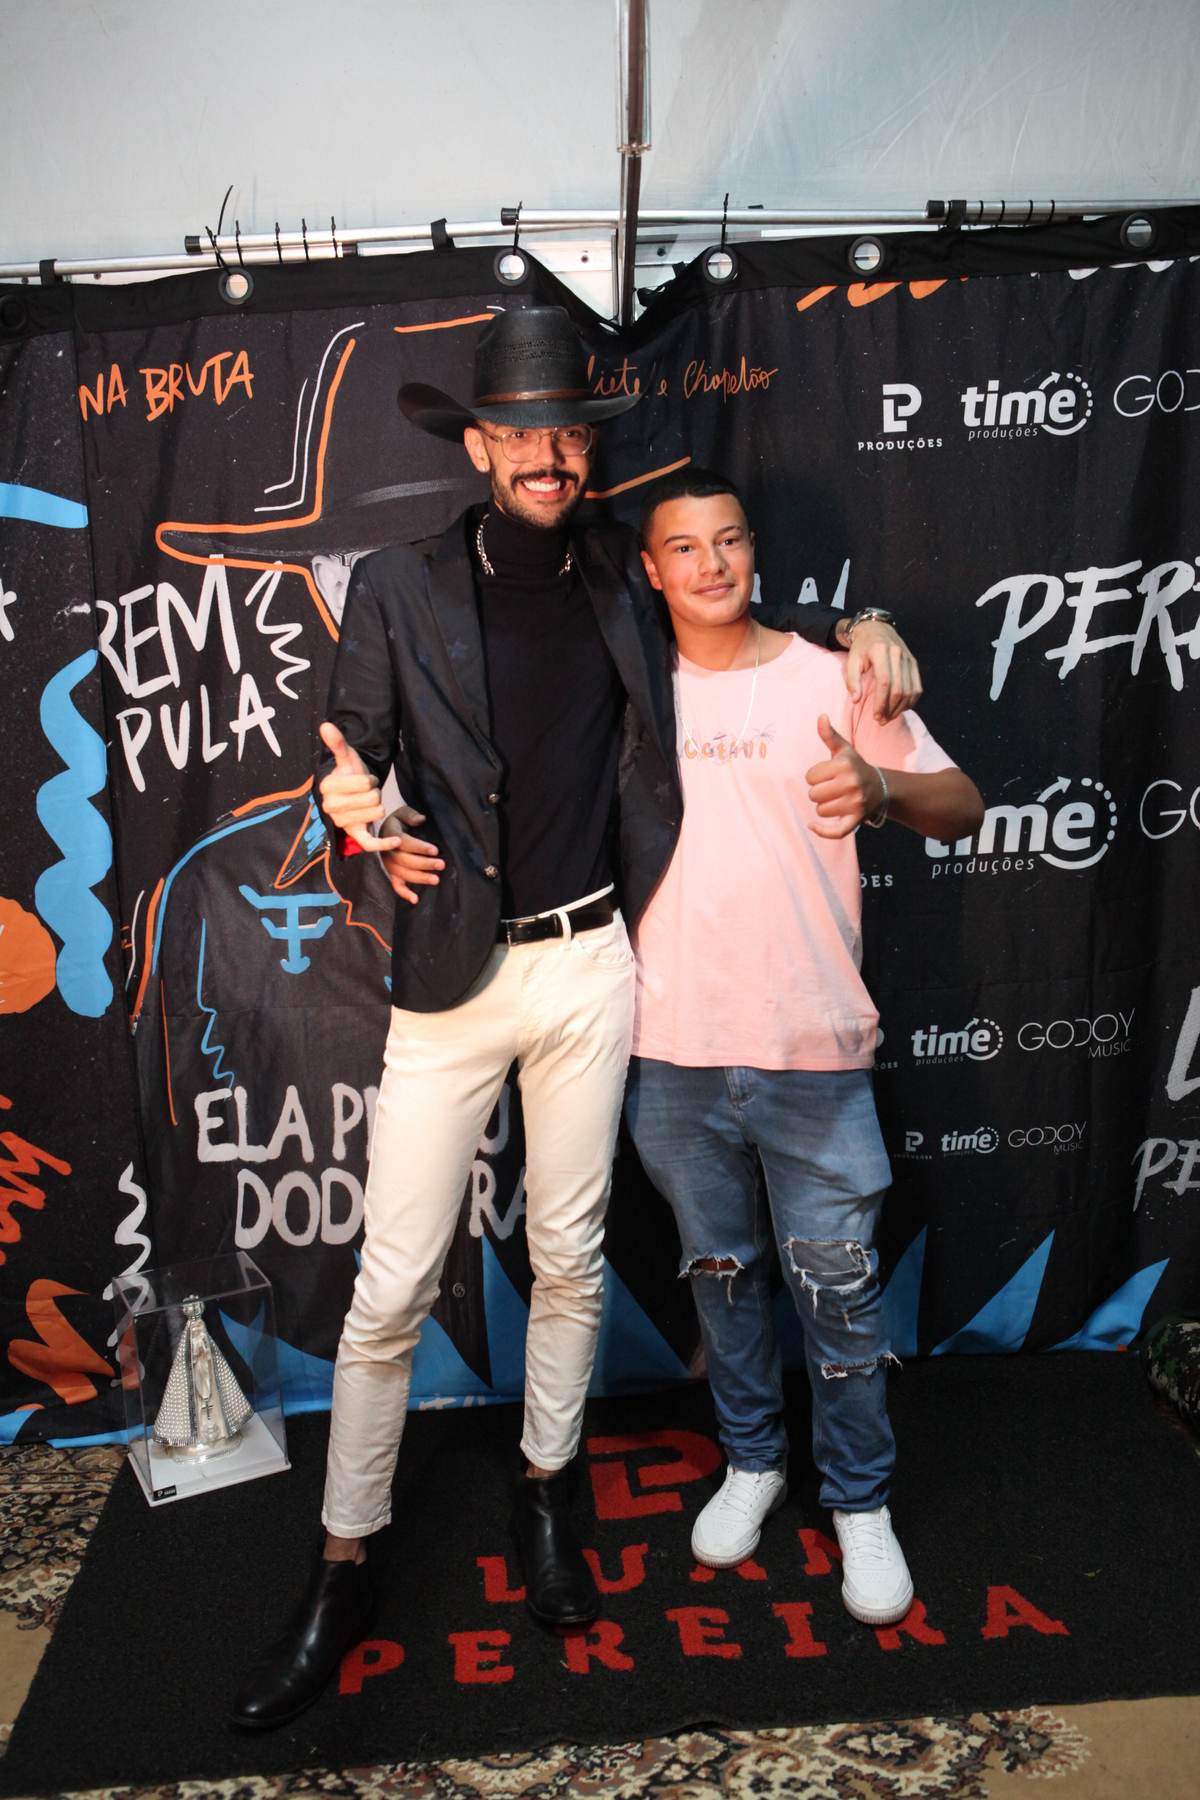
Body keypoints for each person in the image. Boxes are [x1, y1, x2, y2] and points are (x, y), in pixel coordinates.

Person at [231, 308, 923, 1728]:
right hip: (452, 977)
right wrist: (353, 817)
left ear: (583, 453)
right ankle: (342, 1563)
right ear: (479, 447)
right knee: (391, 1288)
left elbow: (741, 622)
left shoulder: (622, 568)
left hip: (597, 965)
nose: (547, 455)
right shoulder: (400, 585)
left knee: (569, 1258)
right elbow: (349, 761)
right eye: (521, 433)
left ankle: (546, 1495)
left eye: (566, 433)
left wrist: (866, 631)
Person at [624, 467, 984, 1627]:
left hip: (811, 1046)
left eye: (728, 540)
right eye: (686, 548)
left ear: (753, 551)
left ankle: (861, 1500)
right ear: (652, 570)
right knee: (723, 1286)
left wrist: (881, 784)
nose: (711, 564)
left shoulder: (835, 676)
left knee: (839, 1295)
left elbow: (964, 805)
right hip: (671, 1050)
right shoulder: (629, 688)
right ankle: (752, 1462)